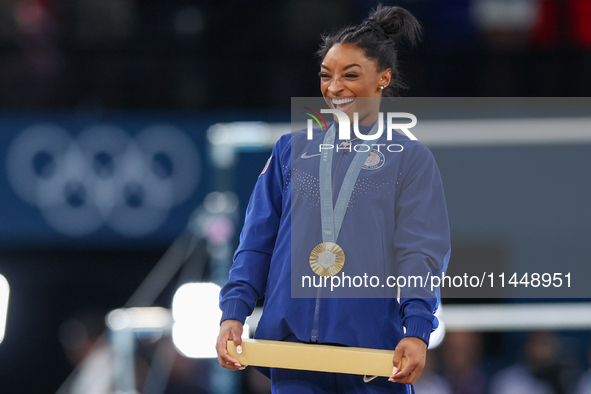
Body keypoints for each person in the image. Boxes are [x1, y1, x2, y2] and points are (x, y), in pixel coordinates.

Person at [216, 5, 451, 393]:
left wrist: (418, 329)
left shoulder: (409, 159)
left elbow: (420, 253)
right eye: (326, 76)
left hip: (372, 355)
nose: (334, 87)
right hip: (292, 355)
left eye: (350, 75)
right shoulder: (291, 151)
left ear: (383, 79)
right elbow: (256, 245)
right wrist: (233, 313)